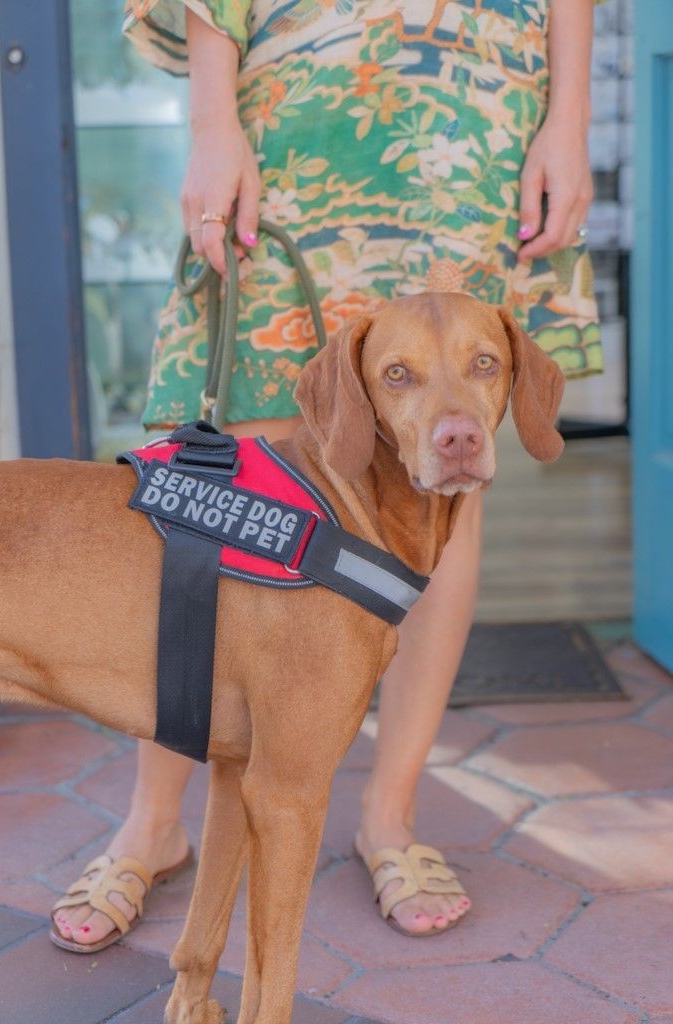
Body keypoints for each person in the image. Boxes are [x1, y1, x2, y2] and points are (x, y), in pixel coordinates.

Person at [51, 0, 604, 950]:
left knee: (438, 491)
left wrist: (569, 118)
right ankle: (153, 821)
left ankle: (389, 816)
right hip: (299, 90)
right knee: (240, 495)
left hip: (473, 112)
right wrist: (214, 120)